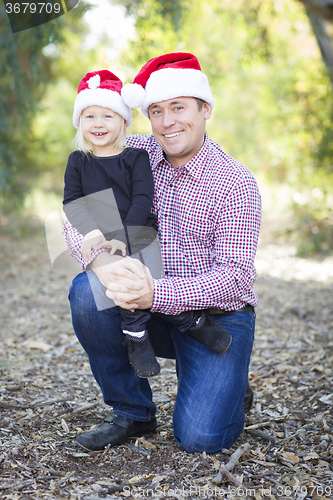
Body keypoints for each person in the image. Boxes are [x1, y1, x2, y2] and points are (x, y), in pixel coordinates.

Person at [63, 52, 262, 454]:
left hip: (213, 317)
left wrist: (156, 294)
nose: (167, 122)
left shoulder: (235, 182)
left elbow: (237, 276)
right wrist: (103, 264)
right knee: (87, 292)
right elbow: (73, 211)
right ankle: (132, 411)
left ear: (205, 109)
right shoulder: (130, 152)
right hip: (139, 309)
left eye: (178, 108)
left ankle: (231, 379)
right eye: (156, 111)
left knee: (201, 439)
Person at [63, 69, 232, 380]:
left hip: (152, 247)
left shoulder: (139, 155)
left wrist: (125, 240)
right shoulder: (83, 160)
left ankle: (190, 322)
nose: (99, 124)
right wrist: (97, 245)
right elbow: (72, 207)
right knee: (93, 289)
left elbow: (142, 200)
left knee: (201, 431)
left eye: (178, 107)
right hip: (111, 247)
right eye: (90, 116)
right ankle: (134, 374)